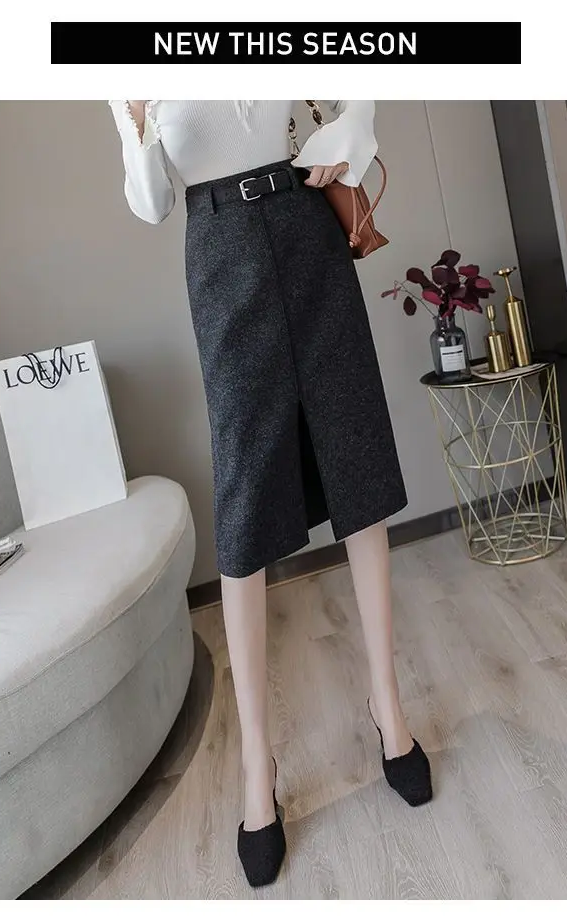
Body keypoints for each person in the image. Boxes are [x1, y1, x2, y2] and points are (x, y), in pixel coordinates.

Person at [109, 100, 432, 887]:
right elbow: (150, 202)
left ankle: (388, 707)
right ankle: (259, 763)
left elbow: (354, 96)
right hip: (220, 249)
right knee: (245, 498)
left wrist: (350, 135)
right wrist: (136, 122)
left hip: (305, 229)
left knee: (355, 456)